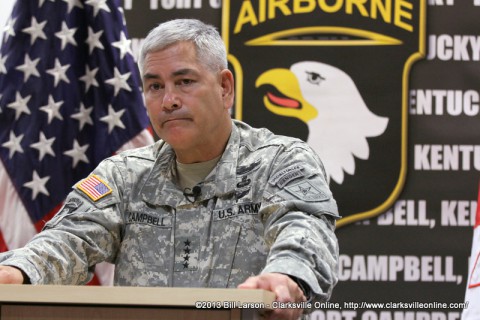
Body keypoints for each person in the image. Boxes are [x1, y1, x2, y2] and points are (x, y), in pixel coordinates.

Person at [0, 19, 339, 319]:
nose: (169, 101)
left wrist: (284, 278)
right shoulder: (122, 175)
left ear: (224, 87)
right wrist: (16, 271)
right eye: (155, 86)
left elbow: (304, 232)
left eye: (185, 82)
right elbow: (68, 240)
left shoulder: (281, 161)